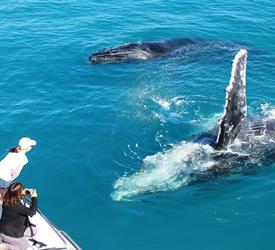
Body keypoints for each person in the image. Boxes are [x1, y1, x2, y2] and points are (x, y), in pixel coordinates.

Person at [0, 182, 38, 250]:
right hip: (10, 234)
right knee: (25, 246)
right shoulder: (17, 207)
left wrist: (22, 192)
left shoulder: (6, 199)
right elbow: (32, 212)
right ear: (18, 193)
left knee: (34, 231)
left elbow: (14, 193)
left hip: (3, 229)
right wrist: (34, 197)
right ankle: (5, 246)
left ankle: (7, 241)